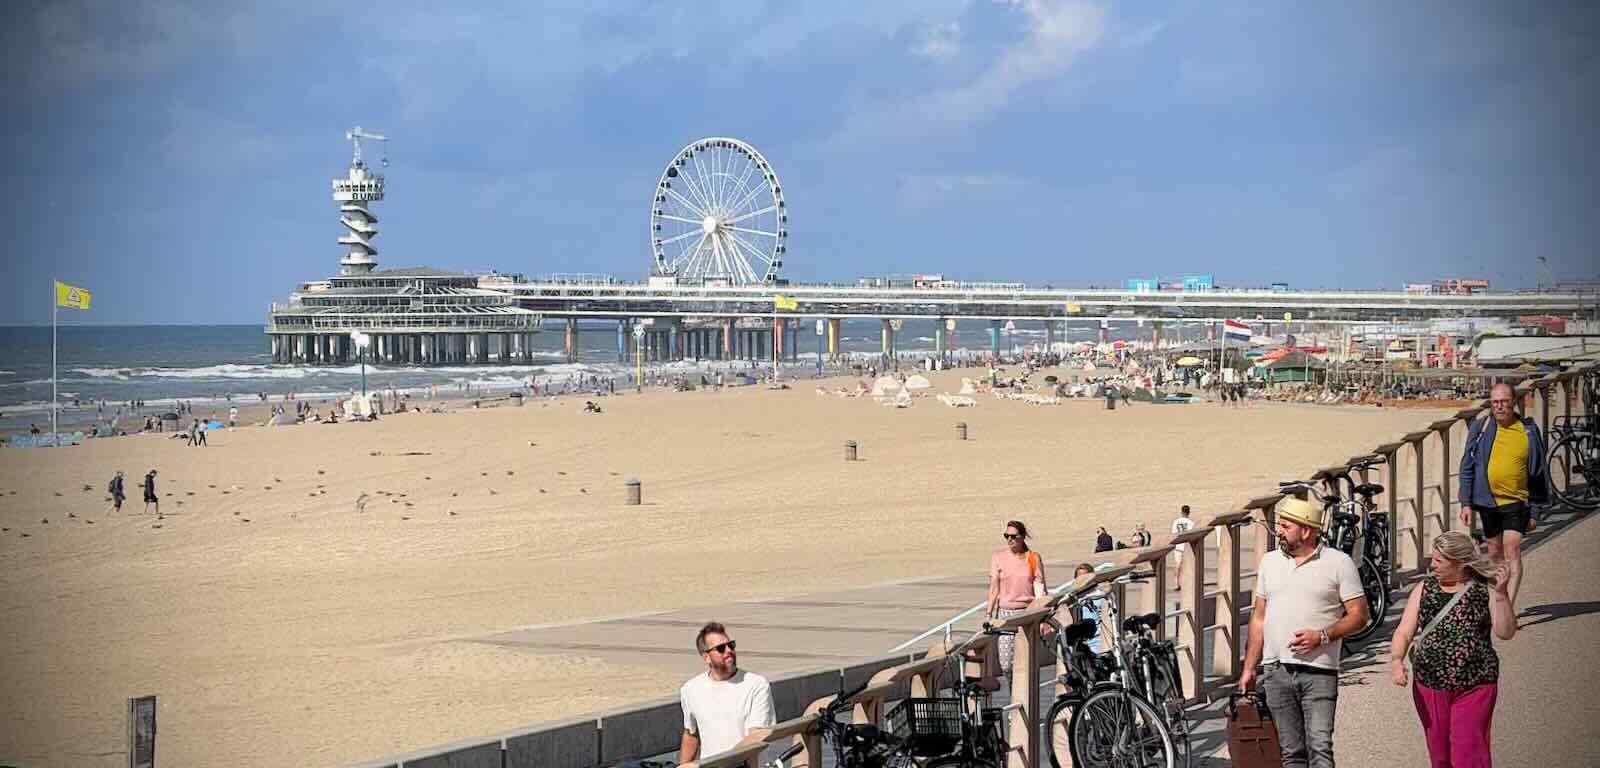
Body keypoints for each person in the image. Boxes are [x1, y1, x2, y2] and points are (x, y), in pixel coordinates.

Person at [1239, 496, 1369, 768]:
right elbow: (1259, 618)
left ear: (1306, 531)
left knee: (1320, 747)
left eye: (1286, 526)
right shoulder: (1269, 562)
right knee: (1291, 752)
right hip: (1276, 671)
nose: (1279, 531)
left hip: (1319, 671)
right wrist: (1250, 667)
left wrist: (1322, 636)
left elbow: (1359, 616)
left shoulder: (1339, 562)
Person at [1389, 532, 1515, 768]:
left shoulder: (1483, 588)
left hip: (1476, 683)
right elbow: (1404, 631)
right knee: (1440, 757)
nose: (1432, 565)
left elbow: (1506, 632)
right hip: (1430, 684)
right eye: (1433, 558)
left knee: (1467, 755)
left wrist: (1501, 595)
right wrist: (1397, 660)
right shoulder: (1424, 588)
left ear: (1460, 562)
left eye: (1439, 561)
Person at [1458, 382, 1547, 608]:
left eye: (1504, 402)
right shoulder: (1481, 427)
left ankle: (1508, 607)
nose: (1499, 407)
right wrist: (1466, 503)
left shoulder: (1528, 431)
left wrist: (1535, 510)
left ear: (1514, 403)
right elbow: (1466, 466)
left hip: (1516, 501)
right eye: (1495, 402)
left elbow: (1538, 473)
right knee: (1495, 555)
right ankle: (1498, 597)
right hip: (1486, 502)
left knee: (1513, 549)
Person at [678, 622, 773, 763]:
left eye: (731, 645)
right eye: (721, 648)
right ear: (706, 657)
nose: (729, 650)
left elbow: (756, 737)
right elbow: (692, 734)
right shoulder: (690, 689)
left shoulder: (756, 685)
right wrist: (683, 766)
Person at [987, 520, 1046, 673]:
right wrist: (988, 615)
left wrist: (1041, 619)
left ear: (1023, 537)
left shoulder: (1033, 558)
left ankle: (1024, 696)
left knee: (1026, 663)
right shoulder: (998, 557)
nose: (1010, 540)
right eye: (1006, 536)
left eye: (1013, 536)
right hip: (1005, 615)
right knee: (1006, 665)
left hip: (1028, 614)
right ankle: (1014, 692)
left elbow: (1039, 589)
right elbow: (994, 588)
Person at [1171, 505, 1196, 585]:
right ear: (1189, 513)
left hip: (1178, 545)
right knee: (1186, 564)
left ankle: (1176, 581)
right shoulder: (1191, 523)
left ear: (1181, 512)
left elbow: (1174, 534)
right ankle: (1185, 581)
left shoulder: (1176, 522)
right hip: (1186, 546)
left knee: (1177, 564)